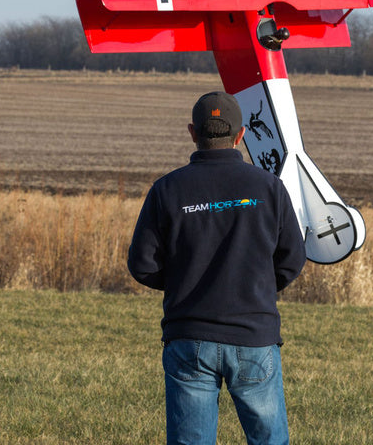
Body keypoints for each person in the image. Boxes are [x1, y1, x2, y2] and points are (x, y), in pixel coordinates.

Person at [128, 91, 306, 445]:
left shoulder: (166, 190)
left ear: (192, 132)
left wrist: (185, 282)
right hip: (254, 334)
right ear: (241, 135)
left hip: (188, 336)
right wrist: (255, 287)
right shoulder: (269, 187)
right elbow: (292, 259)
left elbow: (141, 264)